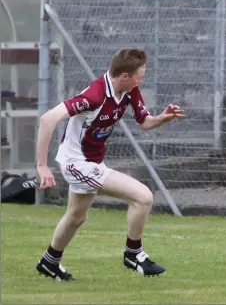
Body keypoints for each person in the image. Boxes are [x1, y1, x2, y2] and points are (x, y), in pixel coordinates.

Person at [35, 48, 184, 281]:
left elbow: (144, 122)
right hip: (77, 164)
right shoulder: (95, 95)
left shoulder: (129, 91)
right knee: (143, 197)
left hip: (91, 162)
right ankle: (133, 254)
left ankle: (49, 262)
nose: (140, 81)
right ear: (124, 76)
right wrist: (42, 166)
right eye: (139, 77)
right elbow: (47, 119)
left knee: (76, 217)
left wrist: (162, 119)